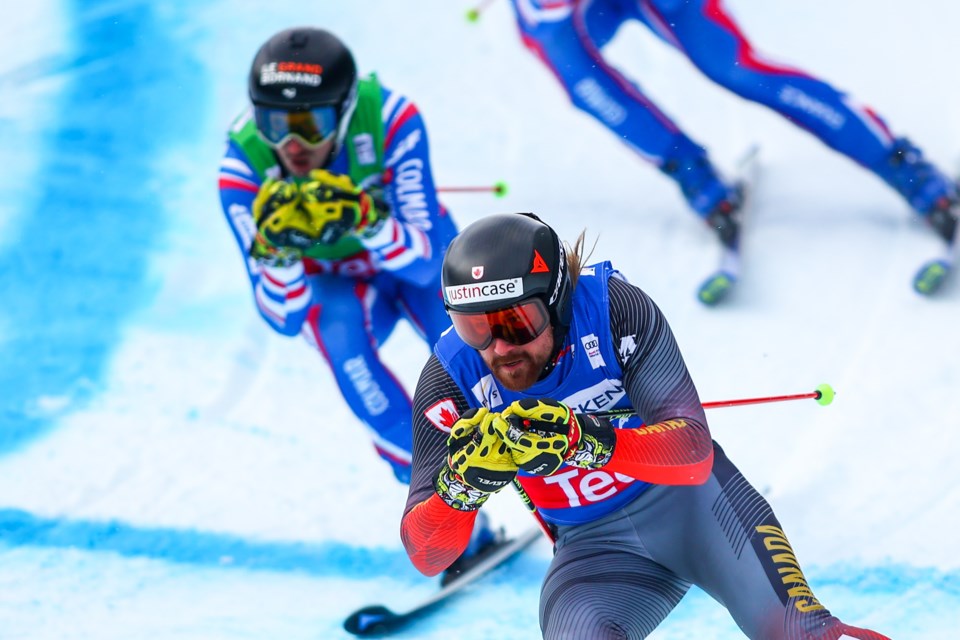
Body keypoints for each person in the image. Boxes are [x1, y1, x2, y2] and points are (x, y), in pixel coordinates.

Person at [400, 212, 890, 639]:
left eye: (516, 322)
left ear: (556, 302)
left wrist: (584, 440)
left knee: (801, 635)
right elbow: (427, 557)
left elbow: (694, 453)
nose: (499, 347)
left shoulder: (615, 310)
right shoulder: (450, 376)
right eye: (476, 328)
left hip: (701, 511)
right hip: (596, 552)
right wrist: (460, 489)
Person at [217, 27, 496, 565]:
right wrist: (275, 255)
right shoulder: (242, 168)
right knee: (348, 356)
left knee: (481, 352)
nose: (291, 145)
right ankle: (456, 518)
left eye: (309, 124)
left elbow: (424, 260)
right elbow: (282, 316)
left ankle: (570, 481)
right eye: (273, 123)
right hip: (336, 284)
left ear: (344, 112)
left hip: (412, 264)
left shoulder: (391, 119)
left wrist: (365, 220)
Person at [504, 0, 957, 257]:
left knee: (735, 69)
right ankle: (690, 170)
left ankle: (898, 161)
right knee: (587, 87)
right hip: (568, 16)